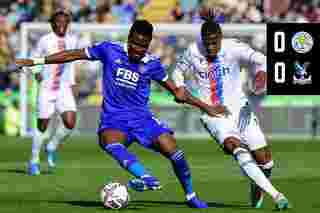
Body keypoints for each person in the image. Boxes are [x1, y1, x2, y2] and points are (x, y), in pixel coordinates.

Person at [15, 19, 225, 208]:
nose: (137, 49)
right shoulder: (109, 50)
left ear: (149, 44)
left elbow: (177, 91)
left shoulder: (152, 64)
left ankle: (191, 196)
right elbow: (73, 54)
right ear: (129, 38)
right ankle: (145, 177)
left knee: (176, 152)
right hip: (114, 119)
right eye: (134, 43)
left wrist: (205, 107)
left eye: (143, 46)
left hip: (143, 119)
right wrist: (36, 61)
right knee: (109, 142)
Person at [171, 12, 290, 210]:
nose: (210, 47)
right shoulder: (192, 51)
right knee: (236, 148)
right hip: (213, 114)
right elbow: (177, 71)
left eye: (214, 43)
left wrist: (261, 74)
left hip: (240, 108)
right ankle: (277, 196)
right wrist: (180, 85)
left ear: (220, 38)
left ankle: (257, 183)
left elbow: (261, 59)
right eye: (207, 43)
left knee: (265, 162)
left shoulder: (233, 47)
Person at [26, 8, 79, 175]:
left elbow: (73, 62)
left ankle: (52, 146)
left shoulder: (73, 40)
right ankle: (34, 160)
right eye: (58, 22)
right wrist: (37, 73)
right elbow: (32, 59)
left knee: (70, 122)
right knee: (42, 126)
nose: (61, 25)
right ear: (52, 24)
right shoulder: (45, 40)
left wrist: (73, 83)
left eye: (65, 22)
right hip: (47, 88)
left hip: (64, 88)